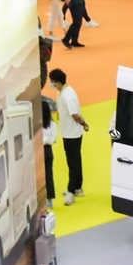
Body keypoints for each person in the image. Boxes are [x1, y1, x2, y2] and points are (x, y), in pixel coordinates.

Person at [49, 68, 87, 204]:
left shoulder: (68, 95)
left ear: (58, 82)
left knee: (73, 162)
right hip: (67, 132)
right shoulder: (61, 92)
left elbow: (75, 114)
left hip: (72, 134)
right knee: (75, 160)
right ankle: (77, 187)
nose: (51, 84)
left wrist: (84, 124)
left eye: (52, 82)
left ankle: (71, 191)